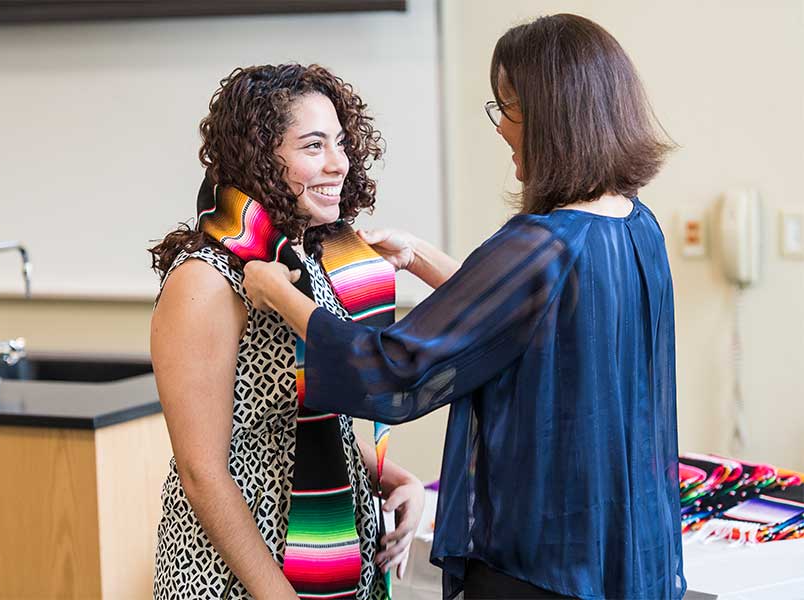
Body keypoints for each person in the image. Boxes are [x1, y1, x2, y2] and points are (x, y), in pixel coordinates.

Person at [242, 14, 685, 600]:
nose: (501, 127)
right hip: (616, 554)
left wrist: (283, 296)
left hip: (538, 570)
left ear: (554, 118)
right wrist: (422, 257)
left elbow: (392, 371)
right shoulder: (636, 225)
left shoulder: (539, 246)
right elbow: (532, 324)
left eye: (508, 109)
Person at [149, 64, 424, 600]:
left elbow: (308, 417)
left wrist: (396, 479)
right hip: (244, 572)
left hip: (331, 550)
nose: (339, 163)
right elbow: (202, 472)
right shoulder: (205, 280)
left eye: (340, 143)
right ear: (259, 157)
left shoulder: (310, 257)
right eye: (313, 146)